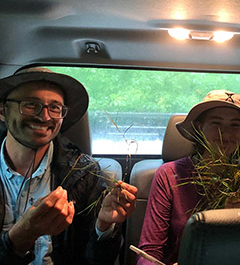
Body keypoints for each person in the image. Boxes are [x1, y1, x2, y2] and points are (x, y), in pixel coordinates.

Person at [0, 67, 138, 264]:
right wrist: (22, 236)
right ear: (2, 111)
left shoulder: (84, 173)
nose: (45, 117)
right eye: (31, 104)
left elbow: (96, 261)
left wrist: (104, 226)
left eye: (55, 108)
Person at [137, 90, 240, 265]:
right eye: (216, 124)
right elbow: (149, 252)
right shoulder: (169, 175)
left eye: (235, 125)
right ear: (200, 127)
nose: (226, 134)